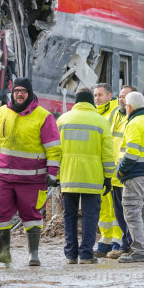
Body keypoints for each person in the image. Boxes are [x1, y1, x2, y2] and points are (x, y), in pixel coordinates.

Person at [0, 77, 61, 266]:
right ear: (12, 92)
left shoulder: (44, 116)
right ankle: (2, 253)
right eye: (16, 90)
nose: (19, 94)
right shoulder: (1, 113)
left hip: (32, 178)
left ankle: (33, 255)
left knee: (32, 215)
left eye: (23, 91)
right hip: (4, 176)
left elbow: (53, 148)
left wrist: (52, 172)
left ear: (30, 93)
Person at [57, 87, 116, 264]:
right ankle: (86, 255)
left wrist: (57, 175)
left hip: (68, 176)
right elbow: (107, 153)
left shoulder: (62, 120)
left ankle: (70, 255)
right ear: (91, 101)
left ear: (76, 101)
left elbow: (55, 151)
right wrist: (108, 176)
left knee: (70, 216)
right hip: (93, 177)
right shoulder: (100, 121)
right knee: (91, 217)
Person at [117, 91, 144, 263]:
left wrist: (121, 171)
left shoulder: (135, 123)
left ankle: (139, 251)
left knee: (132, 213)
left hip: (134, 174)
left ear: (129, 106)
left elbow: (132, 153)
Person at [92, 83, 123, 258]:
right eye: (95, 95)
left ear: (110, 95)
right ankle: (106, 239)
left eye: (100, 95)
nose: (97, 98)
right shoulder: (95, 113)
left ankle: (117, 240)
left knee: (115, 207)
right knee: (104, 208)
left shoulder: (115, 112)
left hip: (112, 166)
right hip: (100, 167)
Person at [106, 85, 136, 259]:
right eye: (120, 96)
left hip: (127, 174)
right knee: (120, 213)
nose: (121, 99)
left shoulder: (135, 118)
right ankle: (125, 245)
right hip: (115, 174)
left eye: (125, 97)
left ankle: (130, 246)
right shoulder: (116, 114)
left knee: (130, 213)